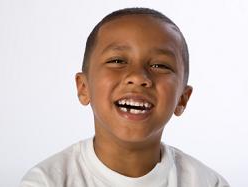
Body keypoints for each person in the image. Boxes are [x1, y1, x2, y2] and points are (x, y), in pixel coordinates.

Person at [20, 8, 229, 187]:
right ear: (84, 88)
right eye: (118, 61)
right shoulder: (47, 182)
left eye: (160, 65)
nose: (138, 77)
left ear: (182, 99)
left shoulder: (207, 183)